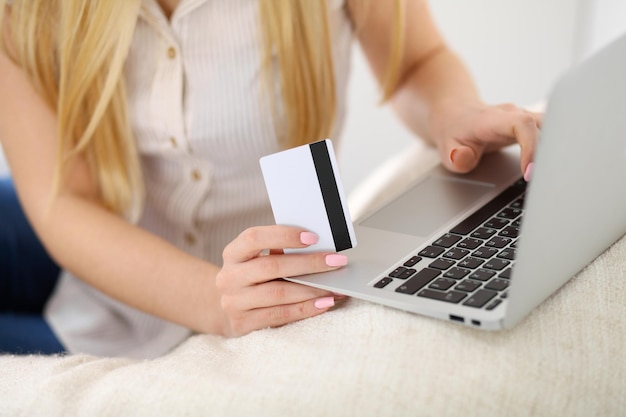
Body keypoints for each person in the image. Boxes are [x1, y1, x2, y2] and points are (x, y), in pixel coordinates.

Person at [0, 0, 541, 358]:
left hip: (139, 306)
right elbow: (63, 201)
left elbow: (414, 61)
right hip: (108, 254)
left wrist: (456, 114)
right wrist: (211, 299)